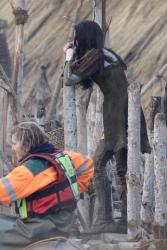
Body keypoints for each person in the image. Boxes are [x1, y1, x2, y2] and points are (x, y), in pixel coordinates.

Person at [63, 20, 151, 232]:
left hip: (117, 112)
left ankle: (106, 220)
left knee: (99, 164)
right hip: (126, 109)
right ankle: (124, 221)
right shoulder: (104, 54)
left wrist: (67, 55)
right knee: (122, 168)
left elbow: (69, 79)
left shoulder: (96, 55)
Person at [0, 121, 94, 249]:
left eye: (14, 143)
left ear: (26, 144)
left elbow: (2, 192)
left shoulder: (29, 170)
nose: (13, 148)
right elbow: (88, 166)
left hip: (39, 229)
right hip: (64, 224)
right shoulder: (64, 157)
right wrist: (75, 189)